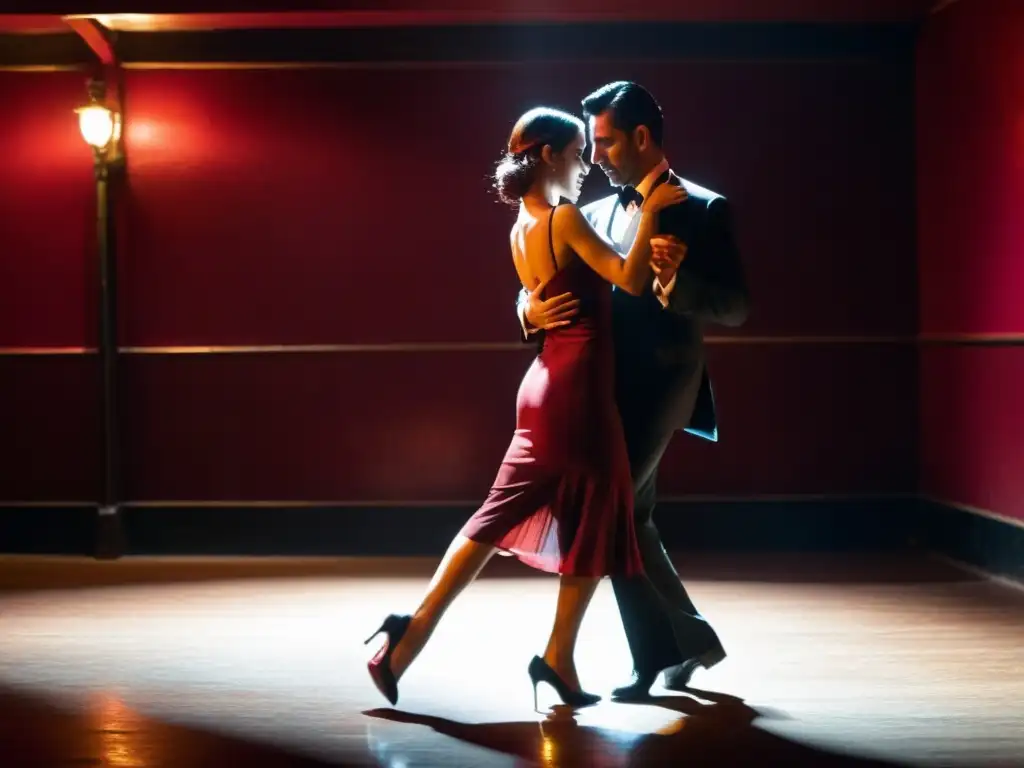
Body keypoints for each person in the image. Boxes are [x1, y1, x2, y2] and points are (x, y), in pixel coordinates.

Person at [364, 106, 685, 709]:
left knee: (499, 515)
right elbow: (630, 279)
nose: (586, 163)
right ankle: (556, 659)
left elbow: (537, 298)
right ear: (546, 156)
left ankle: (415, 633)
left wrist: (526, 310)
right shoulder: (562, 218)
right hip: (577, 391)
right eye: (575, 153)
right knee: (599, 515)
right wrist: (655, 215)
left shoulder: (521, 225)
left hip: (544, 384)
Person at [518, 81, 751, 700]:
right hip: (596, 391)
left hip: (664, 386)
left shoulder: (703, 208)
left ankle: (640, 653)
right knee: (630, 518)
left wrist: (678, 284)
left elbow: (734, 306)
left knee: (618, 512)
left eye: (605, 142)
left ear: (642, 138)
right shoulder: (590, 212)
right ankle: (679, 647)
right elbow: (545, 275)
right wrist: (526, 311)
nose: (593, 157)